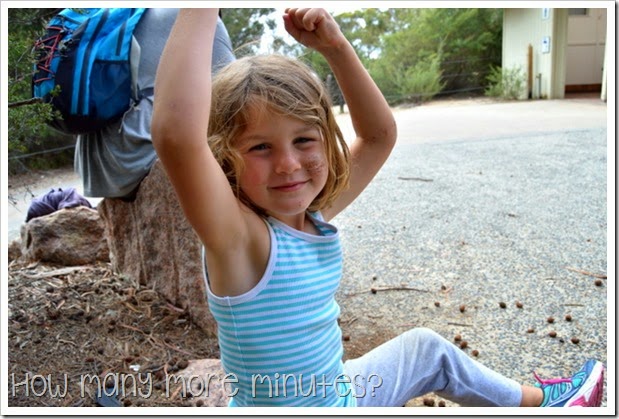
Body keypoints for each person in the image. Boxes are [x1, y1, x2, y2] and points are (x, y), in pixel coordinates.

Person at [151, 8, 605, 408]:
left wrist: (336, 47)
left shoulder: (311, 214)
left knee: (427, 351)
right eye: (260, 147)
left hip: (336, 394)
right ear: (223, 157)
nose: (288, 164)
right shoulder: (240, 238)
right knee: (424, 353)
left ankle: (543, 404)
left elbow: (379, 136)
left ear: (325, 140)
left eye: (303, 139)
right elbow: (176, 134)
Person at [74, 8, 235, 200]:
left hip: (97, 166)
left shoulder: (129, 14)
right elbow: (235, 93)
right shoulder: (198, 14)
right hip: (136, 156)